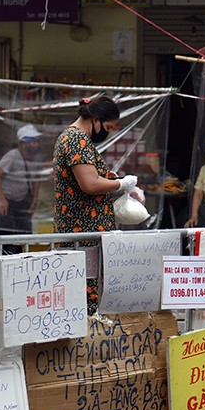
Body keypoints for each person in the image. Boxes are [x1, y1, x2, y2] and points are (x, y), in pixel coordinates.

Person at [53, 97, 137, 314]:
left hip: (87, 233)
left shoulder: (78, 139)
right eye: (108, 127)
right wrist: (120, 183)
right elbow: (89, 183)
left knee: (89, 292)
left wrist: (119, 182)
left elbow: (94, 176)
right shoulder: (75, 140)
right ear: (96, 119)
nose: (107, 132)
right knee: (84, 296)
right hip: (82, 233)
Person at [0, 124, 43, 247]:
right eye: (33, 141)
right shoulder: (13, 155)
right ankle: (0, 255)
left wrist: (35, 199)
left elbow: (36, 178)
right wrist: (1, 199)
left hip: (21, 197)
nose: (36, 144)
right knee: (4, 229)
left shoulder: (36, 158)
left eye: (37, 141)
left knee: (24, 228)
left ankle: (21, 256)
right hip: (3, 196)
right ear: (24, 143)